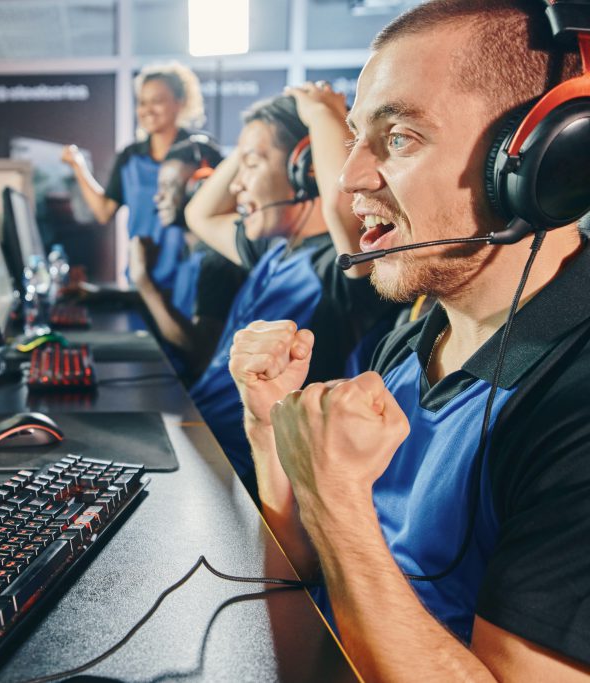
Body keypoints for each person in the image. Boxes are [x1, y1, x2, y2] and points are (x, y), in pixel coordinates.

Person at [230, 1, 590, 678]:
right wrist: (267, 427)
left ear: (541, 162)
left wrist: (336, 501)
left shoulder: (577, 405)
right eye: (360, 136)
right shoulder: (422, 329)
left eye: (398, 137)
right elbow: (305, 561)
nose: (350, 178)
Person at [181, 90, 395, 488]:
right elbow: (199, 212)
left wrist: (319, 116)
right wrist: (251, 143)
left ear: (306, 169)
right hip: (192, 446)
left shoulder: (339, 267)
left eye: (254, 164)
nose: (236, 186)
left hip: (238, 479)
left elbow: (344, 212)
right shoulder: (272, 251)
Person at [128, 138, 244, 380]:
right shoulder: (191, 249)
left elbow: (199, 353)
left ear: (202, 186)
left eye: (169, 186)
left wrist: (144, 282)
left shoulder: (218, 261)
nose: (157, 198)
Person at [61, 62, 205, 246]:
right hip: (143, 270)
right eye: (143, 102)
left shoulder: (200, 152)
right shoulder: (130, 157)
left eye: (157, 101)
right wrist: (78, 165)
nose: (148, 110)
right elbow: (104, 212)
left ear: (180, 102)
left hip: (194, 270)